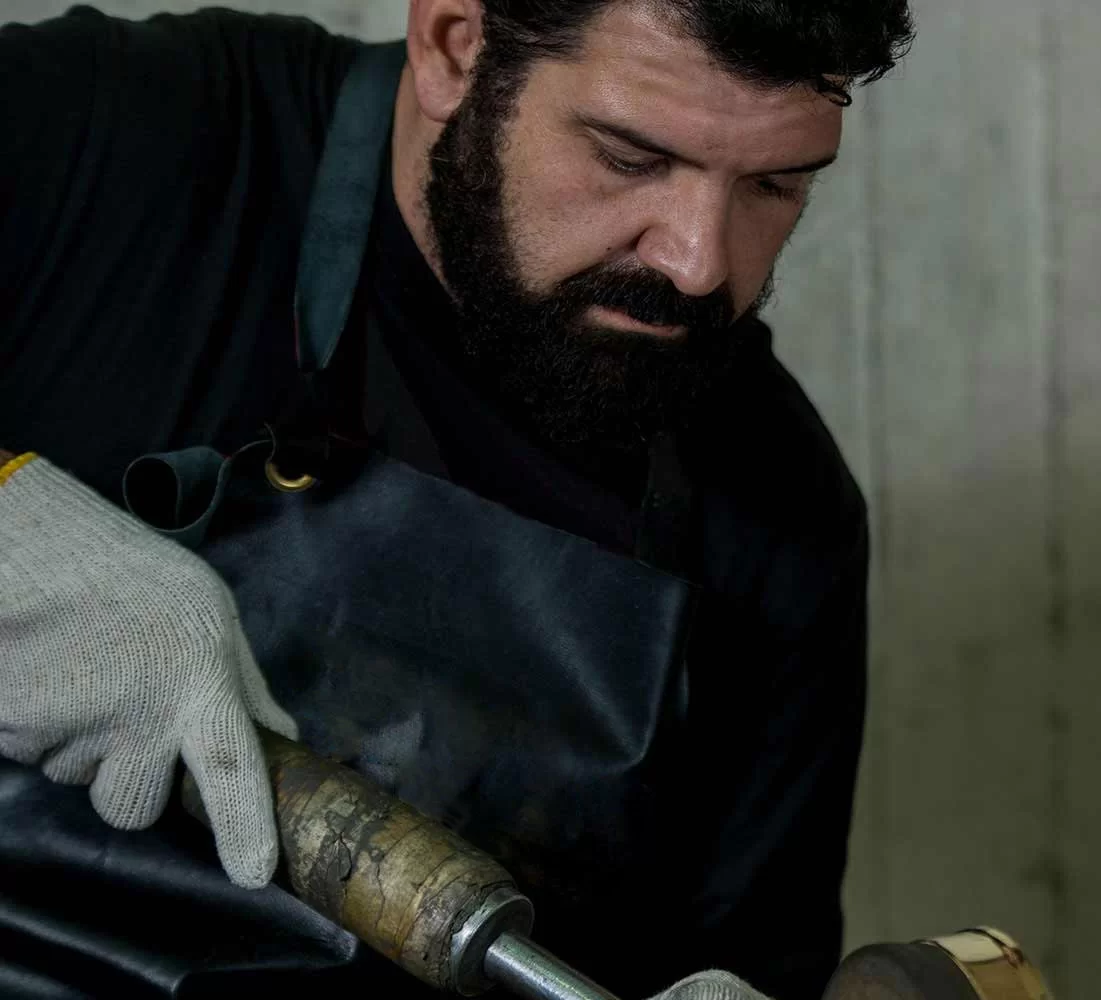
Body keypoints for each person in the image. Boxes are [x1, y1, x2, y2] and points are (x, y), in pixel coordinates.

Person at [0, 0, 911, 996]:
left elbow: (744, 961)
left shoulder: (782, 517)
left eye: (775, 184)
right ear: (454, 45)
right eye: (631, 158)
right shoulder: (106, 134)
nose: (698, 263)